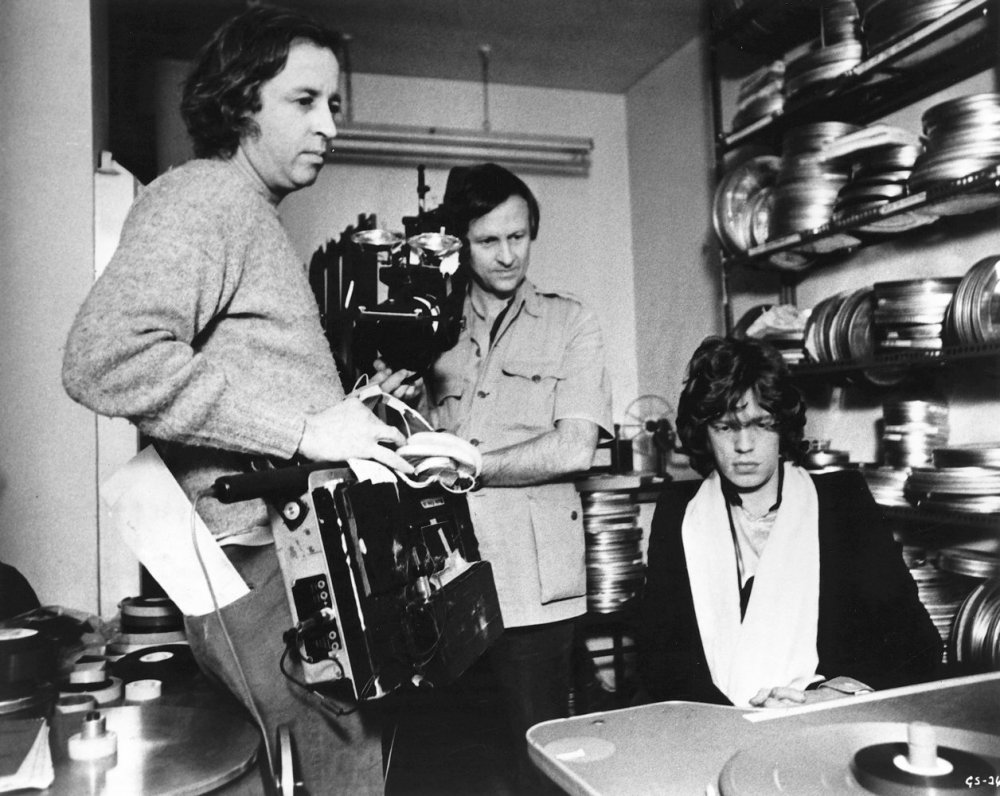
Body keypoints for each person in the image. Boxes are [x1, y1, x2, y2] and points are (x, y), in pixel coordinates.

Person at [62, 7, 415, 792]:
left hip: (286, 556)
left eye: (335, 106)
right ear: (240, 100)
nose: (329, 125)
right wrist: (304, 430)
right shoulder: (206, 198)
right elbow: (103, 358)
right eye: (304, 101)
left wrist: (347, 409)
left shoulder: (244, 212)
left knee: (326, 762)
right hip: (260, 564)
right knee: (331, 764)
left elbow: (252, 377)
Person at [421, 163, 613, 789]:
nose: (507, 256)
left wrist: (475, 466)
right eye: (487, 241)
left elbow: (575, 447)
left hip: (534, 589)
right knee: (459, 762)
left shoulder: (572, 323)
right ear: (459, 241)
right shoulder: (433, 331)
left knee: (540, 765)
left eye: (519, 236)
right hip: (447, 578)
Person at [636, 336, 941, 709]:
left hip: (823, 721)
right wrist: (737, 719)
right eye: (726, 427)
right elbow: (659, 660)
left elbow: (917, 643)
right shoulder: (678, 512)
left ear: (783, 427)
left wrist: (833, 694)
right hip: (715, 727)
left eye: (761, 424)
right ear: (703, 432)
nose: (744, 445)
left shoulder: (842, 502)